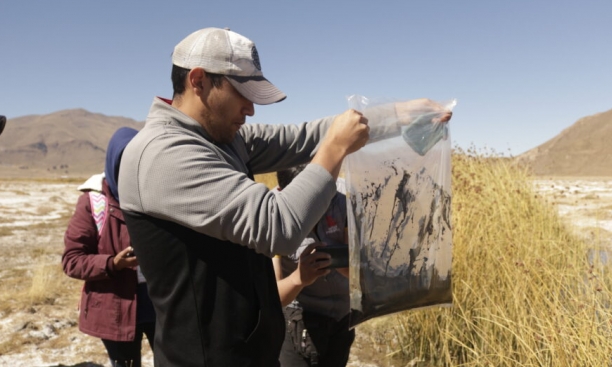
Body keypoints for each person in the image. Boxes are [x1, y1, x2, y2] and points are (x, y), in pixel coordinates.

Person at [118, 26, 451, 367]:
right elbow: (277, 226)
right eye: (242, 93)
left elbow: (303, 138)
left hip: (250, 351)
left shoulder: (220, 138)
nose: (250, 109)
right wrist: (336, 149)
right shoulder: (163, 155)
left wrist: (398, 116)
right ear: (199, 81)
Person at [62, 127, 156, 367]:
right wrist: (112, 263)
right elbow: (72, 260)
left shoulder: (156, 196)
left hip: (162, 306)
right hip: (115, 311)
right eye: (125, 163)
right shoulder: (92, 203)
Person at [274, 166, 353, 367]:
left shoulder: (344, 197)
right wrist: (298, 278)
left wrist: (350, 267)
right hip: (299, 319)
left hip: (343, 315)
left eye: (321, 200)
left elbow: (359, 270)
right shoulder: (271, 216)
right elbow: (273, 298)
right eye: (306, 206)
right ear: (285, 195)